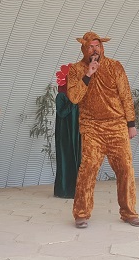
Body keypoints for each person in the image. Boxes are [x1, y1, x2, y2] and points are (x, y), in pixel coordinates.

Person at [66, 32, 139, 228]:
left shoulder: (115, 66)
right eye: (90, 47)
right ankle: (81, 213)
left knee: (126, 168)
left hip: (117, 125)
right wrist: (88, 74)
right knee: (88, 169)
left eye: (97, 46)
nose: (94, 50)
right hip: (92, 127)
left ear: (102, 48)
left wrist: (131, 124)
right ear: (84, 49)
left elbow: (126, 95)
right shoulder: (76, 70)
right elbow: (74, 97)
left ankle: (129, 212)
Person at [53, 64, 81, 199]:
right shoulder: (61, 96)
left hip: (77, 133)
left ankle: (77, 190)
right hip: (65, 134)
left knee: (78, 160)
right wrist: (73, 101)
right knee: (66, 160)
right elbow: (62, 113)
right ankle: (64, 190)